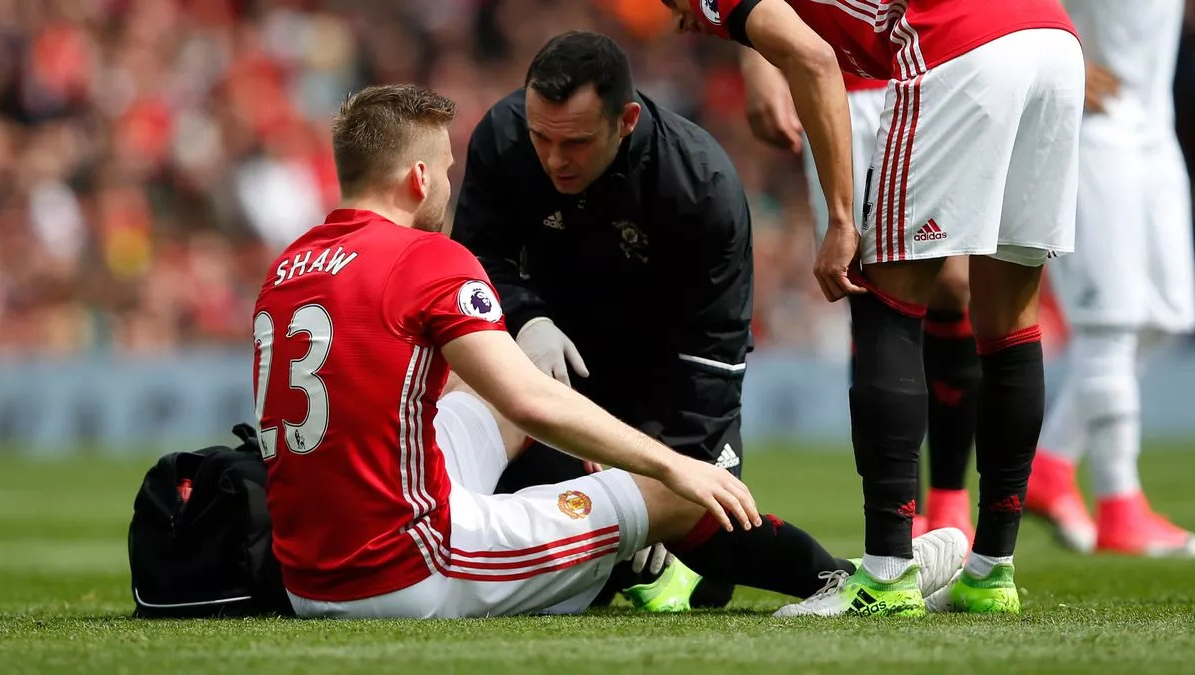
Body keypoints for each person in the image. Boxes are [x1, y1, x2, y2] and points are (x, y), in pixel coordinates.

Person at [250, 83, 967, 619]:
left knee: (500, 384)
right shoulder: (427, 257)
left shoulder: (287, 267)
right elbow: (529, 401)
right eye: (444, 167)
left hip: (307, 574)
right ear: (417, 179)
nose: (450, 182)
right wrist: (668, 463)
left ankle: (619, 546)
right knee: (665, 488)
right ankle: (840, 581)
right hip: (406, 570)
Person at [661, 0, 1083, 616]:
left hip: (958, 44)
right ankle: (991, 572)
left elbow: (812, 58)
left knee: (885, 297)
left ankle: (886, 576)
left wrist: (839, 218)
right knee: (1010, 321)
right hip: (1051, 39)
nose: (679, 19)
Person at [451, 31, 754, 610]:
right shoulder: (505, 135)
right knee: (525, 535)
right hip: (561, 374)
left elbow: (713, 357)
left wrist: (658, 481)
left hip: (667, 386)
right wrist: (527, 318)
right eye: (542, 137)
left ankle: (883, 572)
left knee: (708, 576)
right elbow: (474, 261)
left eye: (577, 143)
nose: (555, 159)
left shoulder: (700, 187)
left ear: (627, 120)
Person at [740, 53, 977, 542]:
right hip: (842, 91)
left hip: (934, 78)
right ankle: (903, 512)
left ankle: (951, 500)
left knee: (954, 284)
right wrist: (759, 60)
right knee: (866, 289)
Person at [1027, 0, 1195, 557]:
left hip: (1153, 129)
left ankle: (1050, 464)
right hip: (1093, 132)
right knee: (1110, 327)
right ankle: (1120, 507)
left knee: (1166, 318)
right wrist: (1052, 47)